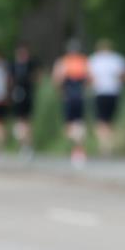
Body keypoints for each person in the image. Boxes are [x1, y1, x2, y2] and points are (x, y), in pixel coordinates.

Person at [87, 38, 125, 156]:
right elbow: (124, 76)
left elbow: (89, 78)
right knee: (109, 120)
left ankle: (104, 144)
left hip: (101, 92)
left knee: (101, 120)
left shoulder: (94, 59)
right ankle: (107, 144)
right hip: (113, 92)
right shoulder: (117, 59)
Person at [52, 39, 90, 167]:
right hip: (80, 97)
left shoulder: (63, 62)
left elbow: (57, 80)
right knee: (79, 124)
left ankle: (77, 150)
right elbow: (89, 79)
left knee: (69, 126)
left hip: (68, 98)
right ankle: (79, 149)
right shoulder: (83, 61)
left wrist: (61, 92)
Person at [10, 45, 38, 157]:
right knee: (19, 121)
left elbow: (37, 78)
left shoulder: (30, 65)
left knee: (27, 121)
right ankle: (22, 145)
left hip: (28, 96)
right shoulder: (13, 66)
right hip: (17, 96)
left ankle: (28, 145)